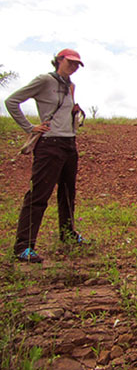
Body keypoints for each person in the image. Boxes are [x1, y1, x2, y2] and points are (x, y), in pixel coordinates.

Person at [5, 49, 88, 263]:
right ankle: (23, 247)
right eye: (70, 62)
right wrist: (30, 128)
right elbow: (12, 101)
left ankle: (68, 235)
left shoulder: (70, 86)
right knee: (39, 195)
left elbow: (64, 113)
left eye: (77, 64)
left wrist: (74, 114)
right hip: (49, 144)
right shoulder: (44, 80)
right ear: (59, 60)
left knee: (68, 193)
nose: (74, 67)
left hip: (69, 143)